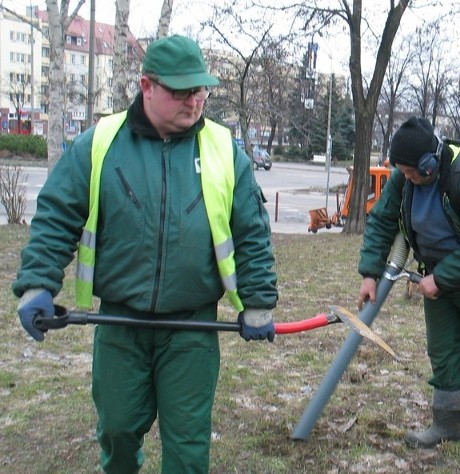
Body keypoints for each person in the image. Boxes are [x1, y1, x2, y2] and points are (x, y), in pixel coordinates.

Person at [13, 34, 278, 473]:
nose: (195, 101)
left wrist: (258, 302)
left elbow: (251, 231)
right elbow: (57, 214)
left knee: (188, 444)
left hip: (191, 326)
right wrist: (38, 284)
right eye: (182, 91)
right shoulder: (100, 144)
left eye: (201, 90)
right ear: (146, 86)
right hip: (121, 323)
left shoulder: (223, 151)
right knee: (117, 429)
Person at [356, 116, 460, 457]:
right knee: (443, 353)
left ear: (430, 162)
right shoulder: (405, 176)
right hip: (438, 280)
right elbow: (383, 219)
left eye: (413, 172)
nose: (408, 178)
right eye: (403, 172)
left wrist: (440, 278)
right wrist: (369, 273)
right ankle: (447, 424)